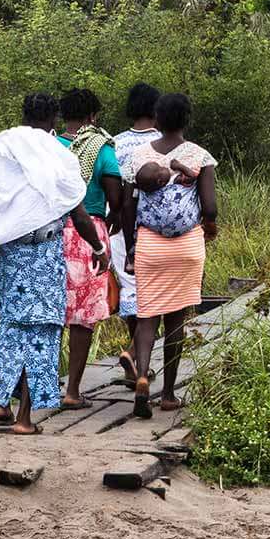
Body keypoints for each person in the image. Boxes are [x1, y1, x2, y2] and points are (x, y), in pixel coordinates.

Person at [0, 93, 105, 435]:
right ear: (54, 119)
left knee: (12, 326)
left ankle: (3, 405)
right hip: (43, 254)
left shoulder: (2, 149)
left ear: (24, 114)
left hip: (8, 256)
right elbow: (76, 210)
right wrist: (98, 247)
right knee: (43, 330)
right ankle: (24, 419)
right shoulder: (57, 154)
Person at [122, 91, 217, 417]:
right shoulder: (200, 156)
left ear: (157, 120)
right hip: (187, 246)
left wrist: (131, 247)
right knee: (176, 319)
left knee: (147, 315)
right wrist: (211, 226)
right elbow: (211, 207)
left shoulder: (138, 156)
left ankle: (143, 377)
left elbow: (127, 206)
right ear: (186, 120)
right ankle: (168, 395)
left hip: (150, 244)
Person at [55, 87, 124, 410]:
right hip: (88, 235)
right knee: (82, 318)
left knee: (52, 313)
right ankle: (72, 390)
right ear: (93, 117)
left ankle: (41, 388)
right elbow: (116, 199)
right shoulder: (101, 149)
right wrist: (112, 225)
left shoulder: (49, 146)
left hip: (51, 234)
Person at [107, 82, 163, 378]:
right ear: (157, 109)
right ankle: (133, 354)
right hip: (153, 229)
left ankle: (135, 368)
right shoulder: (165, 143)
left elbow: (113, 190)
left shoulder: (115, 144)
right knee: (156, 297)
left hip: (119, 225)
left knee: (132, 291)